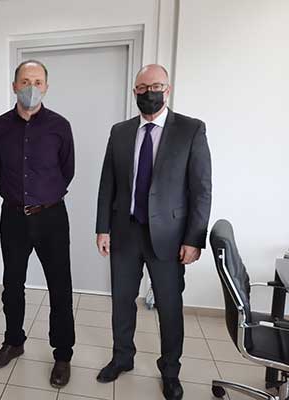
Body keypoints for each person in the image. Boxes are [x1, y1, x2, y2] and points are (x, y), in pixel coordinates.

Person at [95, 64, 212, 400]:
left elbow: (201, 189)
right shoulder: (120, 131)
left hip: (170, 238)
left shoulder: (190, 129)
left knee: (169, 307)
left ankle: (170, 370)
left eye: (156, 86)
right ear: (134, 92)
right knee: (122, 301)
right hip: (125, 231)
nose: (149, 93)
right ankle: (122, 357)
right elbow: (108, 183)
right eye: (142, 88)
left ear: (168, 89)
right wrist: (102, 228)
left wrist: (194, 239)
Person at [0, 60, 75, 388]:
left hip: (51, 216)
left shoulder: (60, 126)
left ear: (46, 87)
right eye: (25, 81)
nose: (31, 88)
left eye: (38, 82)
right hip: (13, 216)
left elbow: (67, 170)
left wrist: (44, 195)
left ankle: (62, 354)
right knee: (12, 284)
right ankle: (14, 341)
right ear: (14, 86)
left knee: (60, 287)